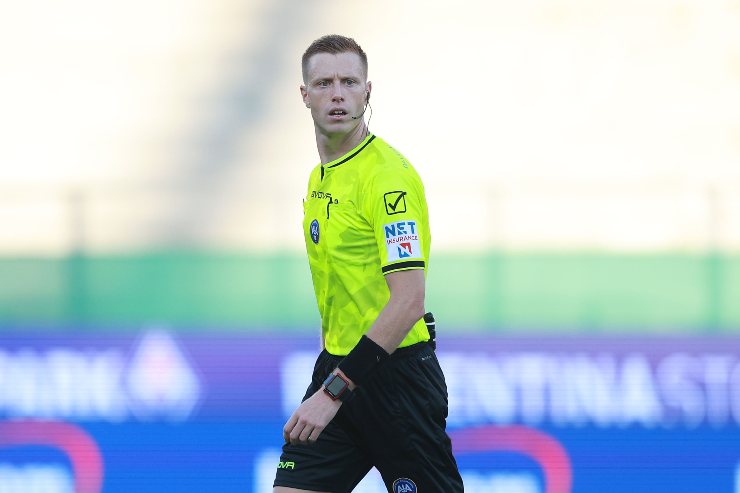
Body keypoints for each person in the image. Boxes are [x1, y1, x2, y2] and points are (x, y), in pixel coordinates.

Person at [273, 34, 464, 493]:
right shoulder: (320, 177)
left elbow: (409, 301)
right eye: (323, 83)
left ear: (367, 91)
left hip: (394, 379)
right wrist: (332, 382)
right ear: (305, 95)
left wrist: (332, 392)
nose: (337, 93)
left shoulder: (388, 180)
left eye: (348, 82)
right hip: (339, 368)